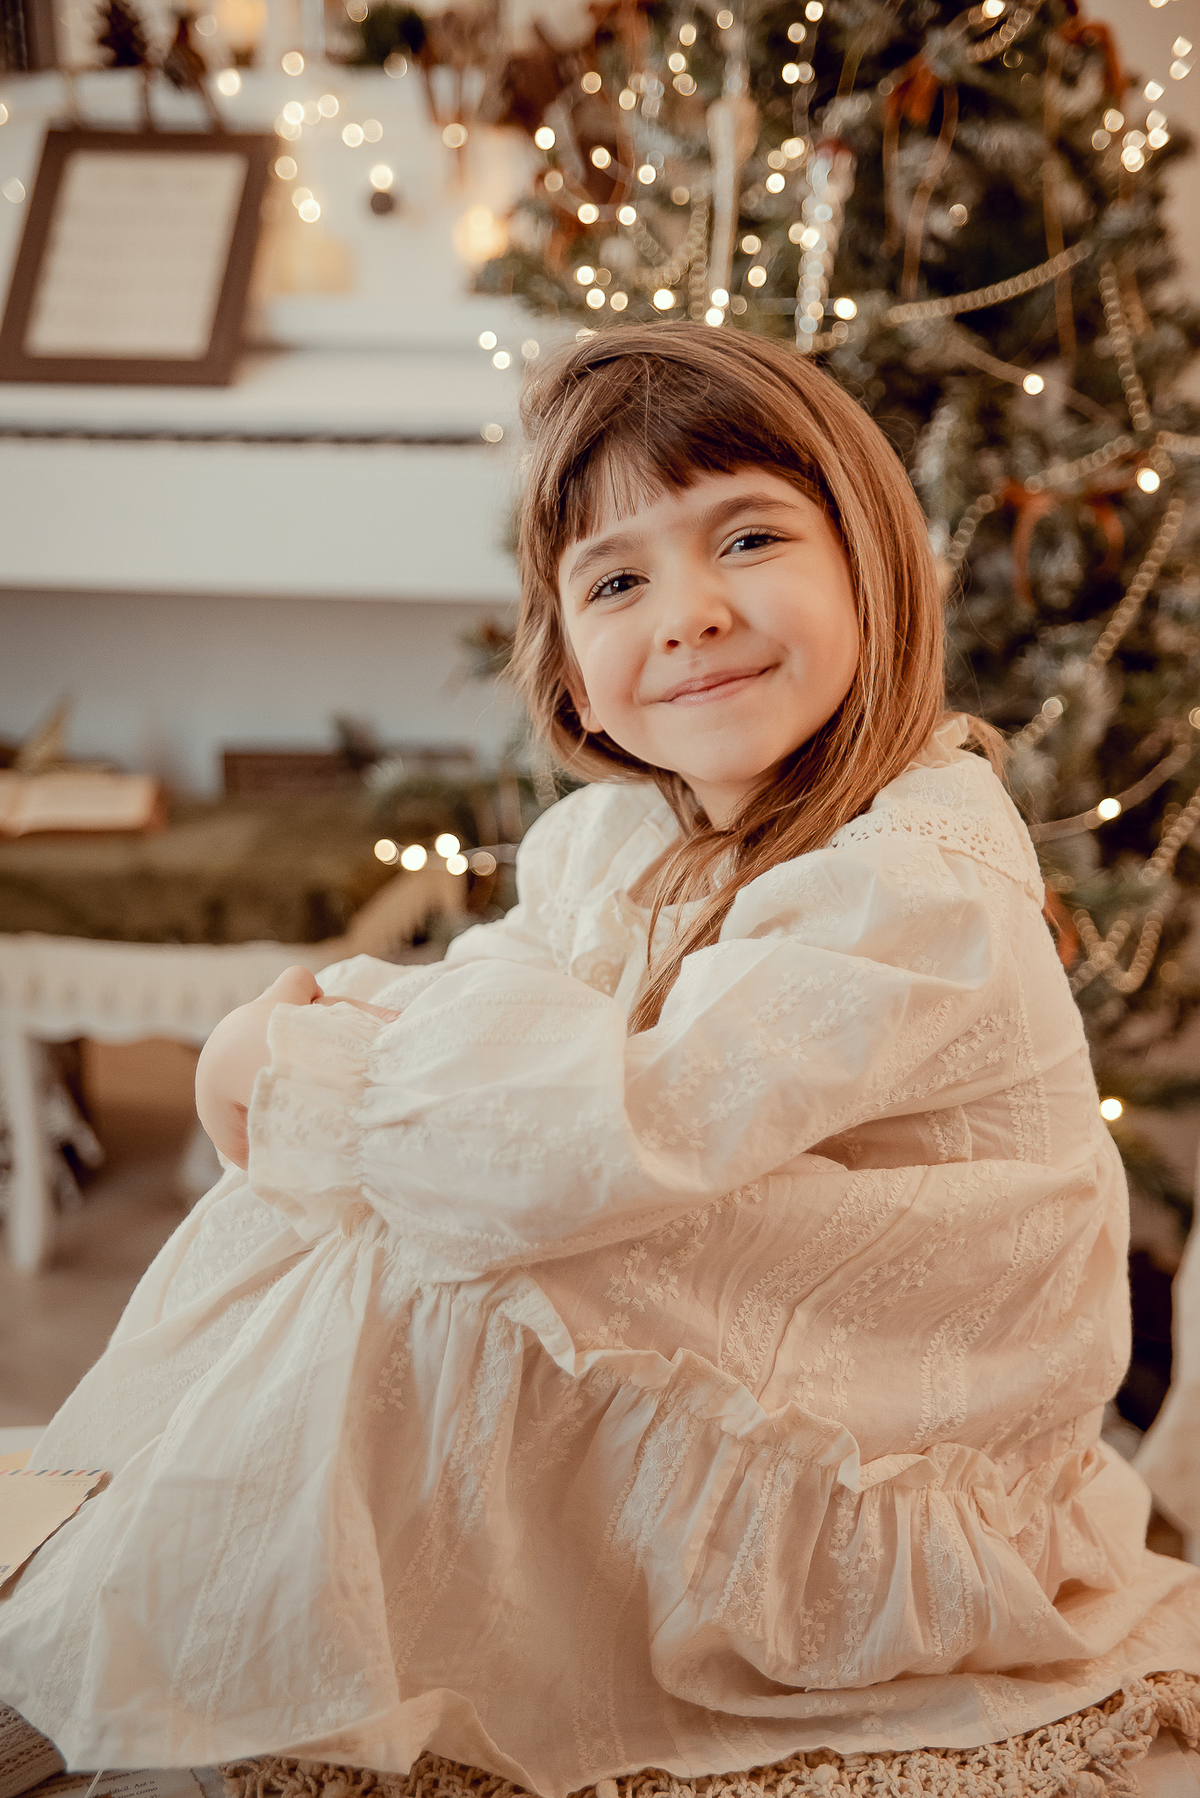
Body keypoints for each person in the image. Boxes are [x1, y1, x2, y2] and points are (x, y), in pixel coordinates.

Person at [2, 326, 1197, 1797]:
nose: (688, 615)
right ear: (568, 654)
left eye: (747, 536)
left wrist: (306, 1071)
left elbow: (614, 1128)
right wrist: (303, 1041)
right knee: (402, 1198)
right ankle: (192, 1604)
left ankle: (223, 1638)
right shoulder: (629, 835)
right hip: (772, 1339)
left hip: (903, 1431)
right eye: (618, 579)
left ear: (874, 561)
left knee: (438, 1234)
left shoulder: (917, 875)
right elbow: (491, 1019)